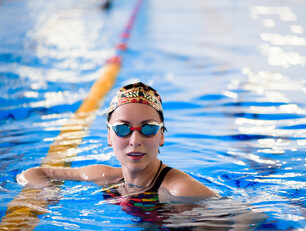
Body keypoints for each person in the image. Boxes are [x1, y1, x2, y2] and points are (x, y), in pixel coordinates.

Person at [17, 82, 218, 204]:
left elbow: (244, 219)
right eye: (123, 129)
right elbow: (33, 173)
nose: (135, 141)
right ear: (108, 136)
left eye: (148, 128)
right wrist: (47, 191)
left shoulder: (180, 190)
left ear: (162, 136)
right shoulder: (105, 177)